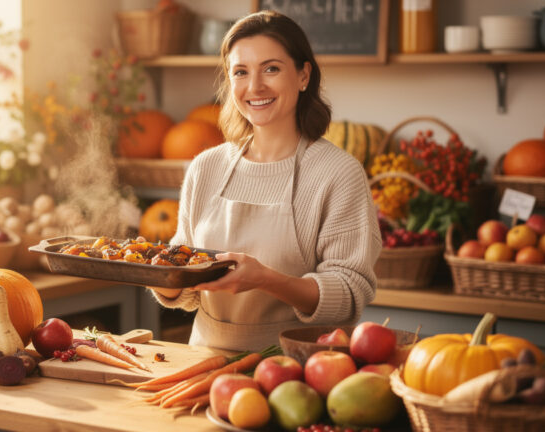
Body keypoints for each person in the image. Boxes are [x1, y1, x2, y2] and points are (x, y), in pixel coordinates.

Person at [147, 10, 381, 352]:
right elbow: (186, 290)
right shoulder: (205, 168)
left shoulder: (338, 174)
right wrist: (155, 273)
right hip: (202, 363)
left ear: (303, 75)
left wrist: (266, 279)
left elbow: (348, 294)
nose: (255, 87)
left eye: (271, 69)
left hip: (301, 368)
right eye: (241, 72)